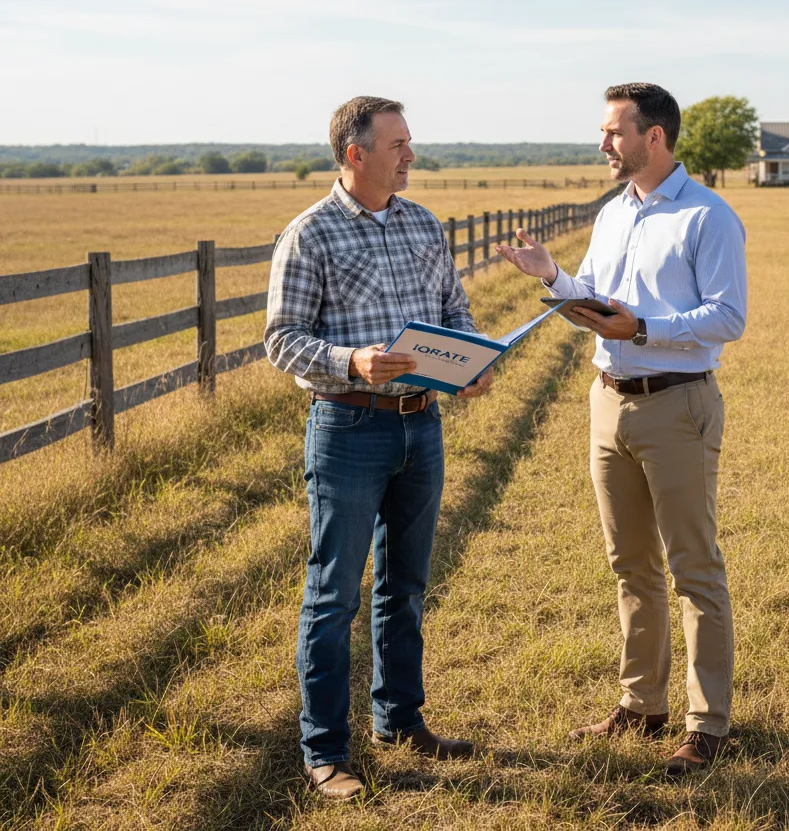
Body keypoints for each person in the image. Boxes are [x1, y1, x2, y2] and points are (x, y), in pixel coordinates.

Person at [496, 83, 746, 776]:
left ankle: (707, 724)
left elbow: (728, 316)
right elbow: (600, 302)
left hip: (678, 406)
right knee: (630, 564)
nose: (602, 142)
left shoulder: (708, 216)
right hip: (608, 403)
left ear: (652, 137)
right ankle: (642, 705)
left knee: (694, 568)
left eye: (613, 131)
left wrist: (644, 328)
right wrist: (555, 277)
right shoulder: (613, 214)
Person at [265, 95, 493, 801]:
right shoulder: (309, 234)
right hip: (348, 429)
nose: (410, 156)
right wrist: (351, 361)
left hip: (422, 425)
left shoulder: (423, 223)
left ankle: (400, 720)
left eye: (409, 143)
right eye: (398, 145)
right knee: (334, 594)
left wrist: (470, 363)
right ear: (355, 153)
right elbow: (281, 340)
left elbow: (454, 311)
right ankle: (325, 750)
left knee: (407, 585)